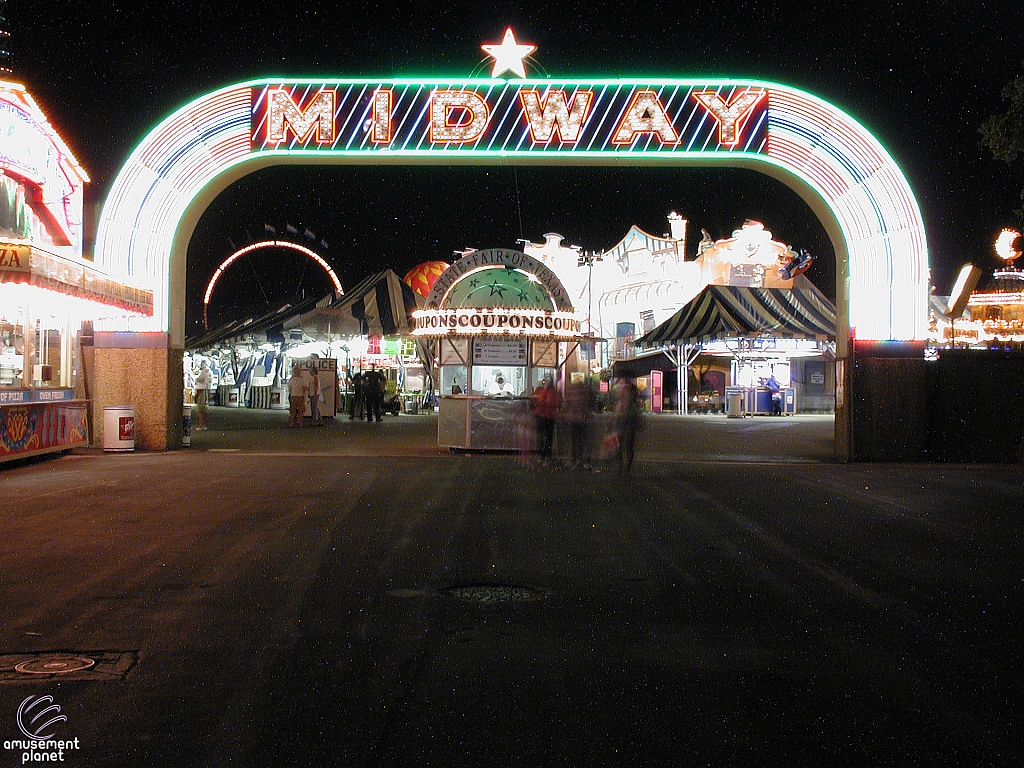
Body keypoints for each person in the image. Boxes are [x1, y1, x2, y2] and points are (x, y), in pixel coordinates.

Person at [613, 373, 643, 476]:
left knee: (623, 445)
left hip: (626, 419)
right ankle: (625, 468)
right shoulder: (632, 389)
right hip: (628, 419)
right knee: (627, 446)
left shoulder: (627, 390)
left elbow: (622, 404)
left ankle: (622, 468)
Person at [562, 379, 593, 468]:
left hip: (573, 420)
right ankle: (579, 459)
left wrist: (564, 414)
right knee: (580, 441)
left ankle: (573, 459)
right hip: (580, 420)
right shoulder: (583, 394)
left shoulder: (571, 393)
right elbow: (586, 407)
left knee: (573, 441)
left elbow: (566, 405)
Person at [532, 375, 559, 463]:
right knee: (547, 437)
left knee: (543, 437)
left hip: (543, 416)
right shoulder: (553, 391)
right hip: (548, 416)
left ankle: (542, 455)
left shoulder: (543, 390)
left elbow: (541, 401)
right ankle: (546, 456)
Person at [193, 361, 212, 431]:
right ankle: (203, 425)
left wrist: (196, 379)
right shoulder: (208, 371)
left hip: (202, 390)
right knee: (203, 409)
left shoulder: (205, 371)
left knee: (201, 409)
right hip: (204, 390)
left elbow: (201, 379)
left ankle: (201, 425)